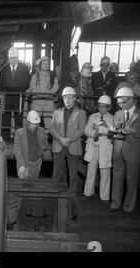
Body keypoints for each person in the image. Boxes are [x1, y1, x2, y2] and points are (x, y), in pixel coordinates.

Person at [108, 87, 140, 214]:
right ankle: (115, 204)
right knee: (116, 179)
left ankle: (128, 207)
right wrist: (113, 130)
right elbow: (112, 132)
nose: (120, 104)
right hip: (118, 151)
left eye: (122, 102)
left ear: (131, 100)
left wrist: (134, 131)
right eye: (118, 102)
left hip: (133, 153)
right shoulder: (118, 113)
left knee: (131, 181)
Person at [49, 87, 87, 220]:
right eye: (65, 97)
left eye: (70, 97)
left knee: (73, 177)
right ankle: (53, 203)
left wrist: (69, 139)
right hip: (59, 145)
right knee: (56, 175)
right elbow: (51, 127)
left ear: (75, 98)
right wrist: (60, 138)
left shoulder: (81, 113)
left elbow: (81, 130)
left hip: (73, 146)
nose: (67, 100)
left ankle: (72, 208)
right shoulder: (57, 112)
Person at [8, 110, 49, 230]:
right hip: (25, 164)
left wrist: (44, 154)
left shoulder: (41, 131)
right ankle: (13, 219)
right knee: (21, 191)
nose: (34, 126)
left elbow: (45, 145)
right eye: (32, 124)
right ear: (27, 122)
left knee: (33, 190)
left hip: (37, 163)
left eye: (36, 124)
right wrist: (21, 165)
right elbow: (17, 150)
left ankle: (28, 216)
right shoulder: (19, 133)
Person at [83, 95, 114, 203]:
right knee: (90, 171)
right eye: (100, 106)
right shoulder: (92, 117)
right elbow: (86, 131)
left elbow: (112, 134)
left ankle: (104, 197)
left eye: (104, 107)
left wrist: (100, 129)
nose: (101, 109)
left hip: (105, 148)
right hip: (93, 147)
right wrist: (94, 132)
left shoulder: (112, 118)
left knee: (105, 173)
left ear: (109, 107)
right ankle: (88, 193)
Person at [0, 47, 30, 141]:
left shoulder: (24, 69)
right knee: (6, 117)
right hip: (7, 96)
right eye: (11, 58)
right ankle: (5, 138)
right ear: (8, 58)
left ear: (18, 57)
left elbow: (26, 84)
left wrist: (17, 89)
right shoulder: (3, 70)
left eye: (15, 57)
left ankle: (18, 139)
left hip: (19, 97)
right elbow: (1, 84)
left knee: (18, 117)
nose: (13, 60)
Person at [27, 56, 59, 129]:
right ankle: (36, 138)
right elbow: (32, 87)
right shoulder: (35, 76)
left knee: (48, 122)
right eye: (43, 63)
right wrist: (42, 94)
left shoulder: (52, 76)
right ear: (40, 65)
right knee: (35, 121)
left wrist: (49, 93)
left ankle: (46, 139)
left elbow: (56, 87)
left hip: (48, 102)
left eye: (47, 64)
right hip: (37, 102)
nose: (45, 65)